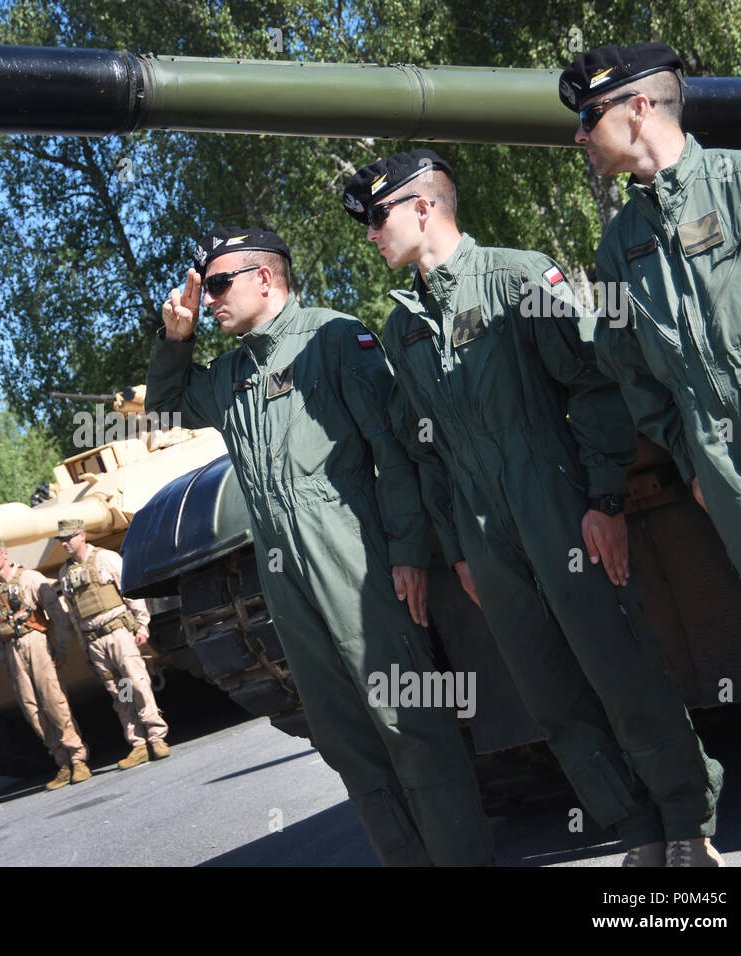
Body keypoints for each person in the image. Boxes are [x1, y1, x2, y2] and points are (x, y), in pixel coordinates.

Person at [344, 149, 724, 867]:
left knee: (622, 669)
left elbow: (593, 383)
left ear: (424, 208)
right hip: (487, 537)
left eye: (377, 217)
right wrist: (460, 550)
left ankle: (687, 824)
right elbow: (428, 455)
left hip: (558, 505)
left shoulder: (520, 276)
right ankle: (637, 832)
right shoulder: (403, 329)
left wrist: (605, 500)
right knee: (553, 697)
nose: (370, 234)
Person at [146, 226, 493, 866]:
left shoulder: (333, 338)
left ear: (266, 279)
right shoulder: (229, 377)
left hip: (356, 563)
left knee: (408, 724)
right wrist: (177, 334)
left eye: (220, 284)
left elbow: (395, 449)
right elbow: (165, 406)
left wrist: (409, 551)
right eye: (207, 288)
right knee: (344, 739)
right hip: (287, 582)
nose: (211, 298)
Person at [560, 42, 741, 650]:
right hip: (720, 462)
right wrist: (692, 460)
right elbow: (627, 369)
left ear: (636, 108)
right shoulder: (615, 252)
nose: (579, 137)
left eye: (587, 117)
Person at [55, 518, 170, 769]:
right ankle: (138, 743)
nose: (64, 544)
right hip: (95, 640)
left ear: (82, 536)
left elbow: (129, 591)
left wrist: (142, 625)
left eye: (68, 538)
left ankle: (156, 736)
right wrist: (84, 644)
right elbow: (74, 613)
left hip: (118, 632)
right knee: (120, 692)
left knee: (137, 682)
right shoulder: (65, 574)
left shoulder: (106, 559)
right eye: (61, 540)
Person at [0, 538, 91, 789]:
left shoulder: (31, 578)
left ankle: (78, 758)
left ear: (5, 554)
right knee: (32, 709)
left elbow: (58, 615)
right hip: (12, 649)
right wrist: (6, 663)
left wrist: (61, 648)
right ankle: (61, 761)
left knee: (54, 702)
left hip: (36, 642)